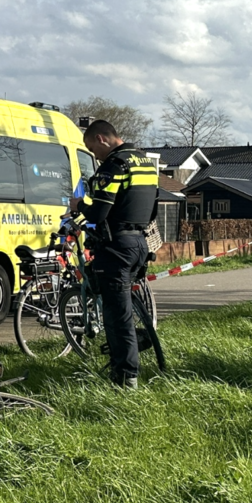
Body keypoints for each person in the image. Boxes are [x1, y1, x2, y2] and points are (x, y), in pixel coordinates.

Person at [68, 120, 158, 389]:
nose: (95, 155)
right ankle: (132, 352)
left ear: (102, 139)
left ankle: (125, 377)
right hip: (140, 242)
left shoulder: (114, 166)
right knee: (125, 307)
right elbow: (152, 208)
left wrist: (79, 205)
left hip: (117, 246)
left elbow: (98, 213)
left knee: (117, 317)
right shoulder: (145, 163)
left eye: (92, 148)